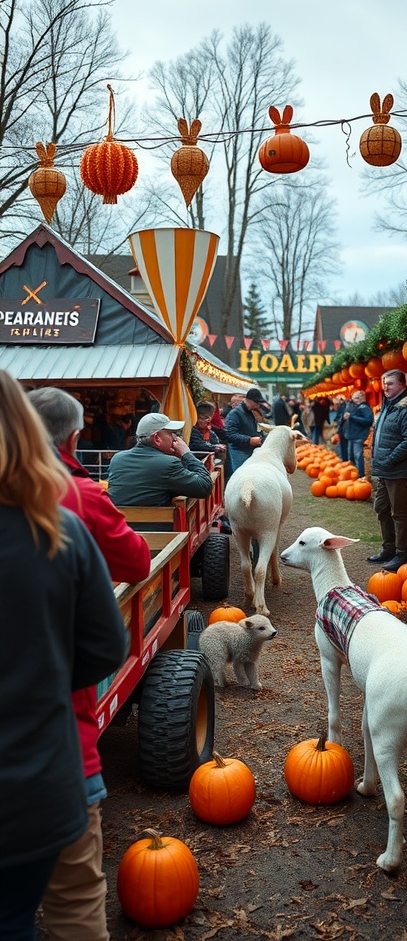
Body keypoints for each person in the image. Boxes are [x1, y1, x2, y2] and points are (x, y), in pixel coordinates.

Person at [0, 371, 127, 941]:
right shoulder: (64, 525)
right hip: (46, 771)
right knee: (72, 905)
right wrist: (48, 679)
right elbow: (106, 644)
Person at [28, 387, 150, 941]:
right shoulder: (75, 502)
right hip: (57, 750)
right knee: (75, 906)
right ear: (75, 438)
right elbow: (136, 560)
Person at [367, 369, 407, 571]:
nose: (385, 387)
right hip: (385, 469)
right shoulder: (389, 406)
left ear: (402, 385)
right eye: (384, 383)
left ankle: (402, 555)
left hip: (398, 471)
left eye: (390, 383)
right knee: (381, 508)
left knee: (399, 514)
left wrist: (389, 459)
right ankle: (388, 549)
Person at [107, 412, 213, 507]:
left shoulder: (117, 459)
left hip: (119, 527)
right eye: (171, 433)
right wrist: (186, 453)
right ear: (157, 438)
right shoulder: (168, 464)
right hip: (156, 527)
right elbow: (205, 487)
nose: (175, 438)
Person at [224, 388, 267, 471]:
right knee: (241, 475)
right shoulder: (235, 413)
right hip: (239, 452)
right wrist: (249, 440)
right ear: (249, 400)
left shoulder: (249, 412)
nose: (259, 405)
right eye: (257, 402)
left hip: (248, 450)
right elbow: (230, 434)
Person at [342, 389, 374, 477]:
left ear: (362, 398)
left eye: (356, 398)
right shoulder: (355, 407)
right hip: (352, 435)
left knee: (358, 456)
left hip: (358, 436)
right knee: (351, 457)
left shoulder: (364, 407)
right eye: (353, 398)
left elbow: (369, 420)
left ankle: (361, 476)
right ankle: (353, 475)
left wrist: (351, 417)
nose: (353, 400)